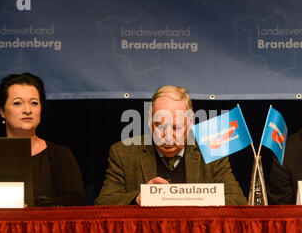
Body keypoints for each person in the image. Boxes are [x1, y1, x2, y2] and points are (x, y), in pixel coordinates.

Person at [95, 85, 247, 205]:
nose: (167, 137)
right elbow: (103, 203)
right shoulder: (123, 152)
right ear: (149, 122)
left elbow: (238, 201)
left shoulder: (211, 147)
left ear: (190, 122)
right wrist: (140, 198)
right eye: (159, 126)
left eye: (176, 127)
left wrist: (193, 199)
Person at [0, 72, 85, 207]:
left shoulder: (59, 155)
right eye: (17, 103)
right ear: (2, 111)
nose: (27, 110)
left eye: (34, 103)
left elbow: (75, 201)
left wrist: (32, 206)